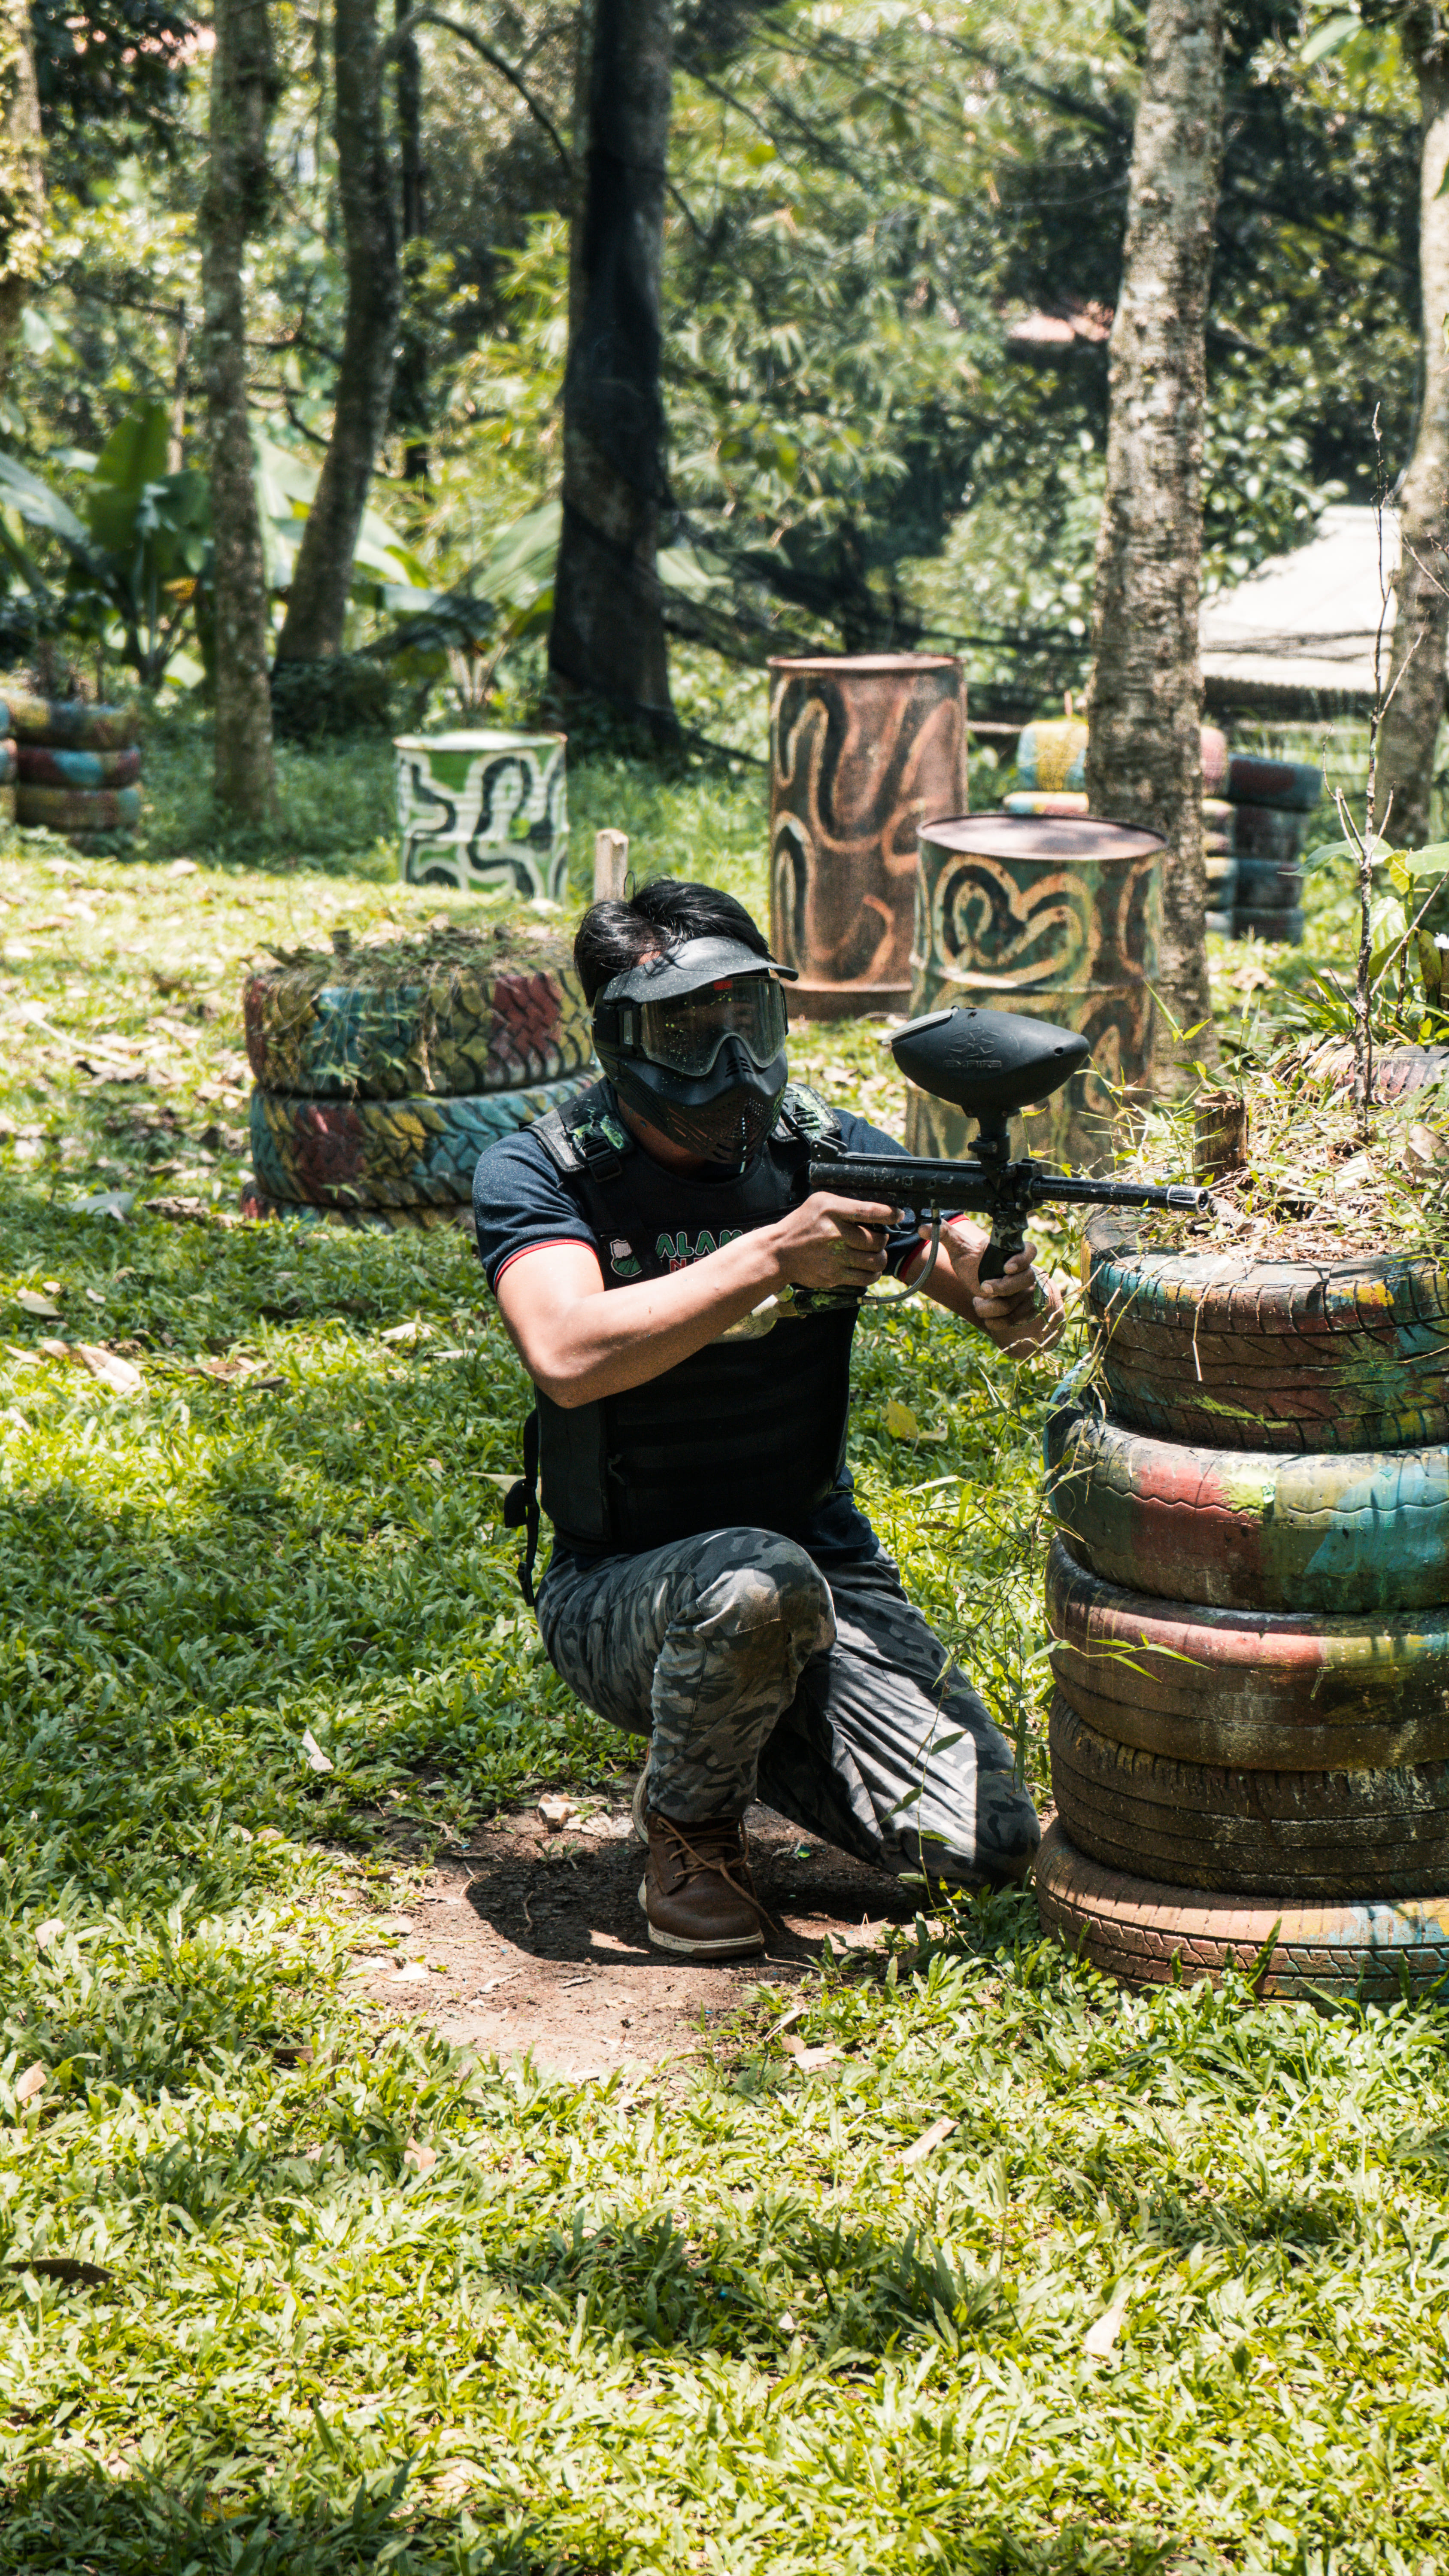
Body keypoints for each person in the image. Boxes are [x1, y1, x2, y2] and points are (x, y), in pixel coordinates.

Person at [473, 877, 1063, 1960]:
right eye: (686, 1031)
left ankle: (755, 1718)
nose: (728, 1062)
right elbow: (563, 1354)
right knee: (753, 1580)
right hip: (619, 1593)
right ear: (619, 1039)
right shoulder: (547, 1172)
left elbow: (983, 1291)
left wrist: (1009, 1295)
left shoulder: (825, 1149)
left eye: (745, 1019)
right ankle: (689, 1838)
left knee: (989, 1847)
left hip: (823, 1575)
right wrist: (763, 1258)